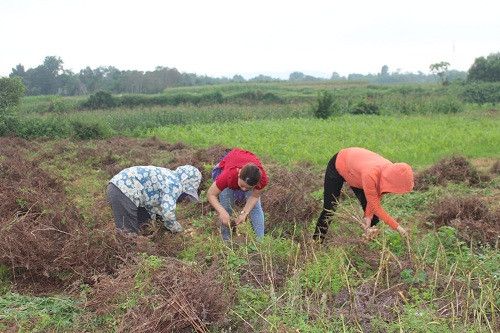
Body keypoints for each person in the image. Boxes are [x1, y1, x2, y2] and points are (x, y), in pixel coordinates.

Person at [313, 147, 414, 242]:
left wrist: (368, 216)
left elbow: (376, 195)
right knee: (330, 208)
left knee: (373, 216)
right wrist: (399, 228)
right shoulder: (370, 174)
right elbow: (375, 206)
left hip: (357, 172)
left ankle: (373, 242)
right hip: (339, 163)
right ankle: (316, 241)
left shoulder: (389, 171)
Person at [106, 165, 202, 234]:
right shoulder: (175, 184)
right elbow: (168, 213)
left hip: (119, 188)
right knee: (128, 235)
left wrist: (159, 218)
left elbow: (149, 205)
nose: (184, 196)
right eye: (186, 192)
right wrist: (177, 229)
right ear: (187, 182)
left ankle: (145, 245)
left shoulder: (168, 176)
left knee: (146, 222)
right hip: (124, 191)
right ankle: (133, 258)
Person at [207, 148, 268, 240]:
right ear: (239, 175)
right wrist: (222, 212)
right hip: (232, 164)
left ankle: (260, 242)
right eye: (242, 185)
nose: (244, 190)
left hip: (247, 168)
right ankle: (226, 241)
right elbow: (211, 194)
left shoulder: (261, 180)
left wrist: (244, 213)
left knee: (255, 207)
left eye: (249, 188)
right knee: (226, 207)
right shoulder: (228, 175)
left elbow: (255, 196)